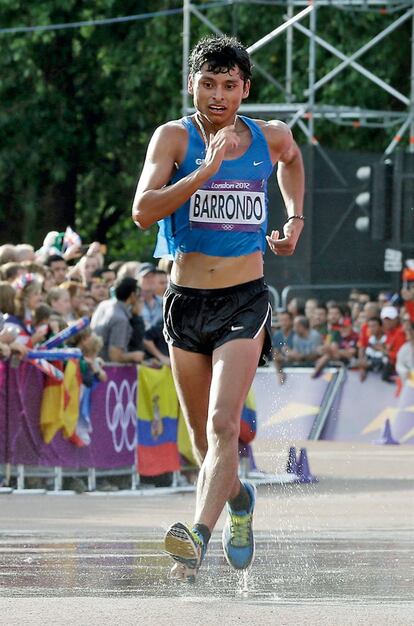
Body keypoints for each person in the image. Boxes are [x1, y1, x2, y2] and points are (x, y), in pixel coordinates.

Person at [132, 35, 304, 582]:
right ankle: (240, 502)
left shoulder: (267, 137)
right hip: (185, 303)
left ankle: (196, 538)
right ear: (193, 85)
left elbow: (293, 157)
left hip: (244, 300)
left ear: (245, 89)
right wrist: (203, 172)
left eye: (230, 85)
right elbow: (141, 211)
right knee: (205, 443)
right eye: (208, 84)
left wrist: (295, 220)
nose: (218, 95)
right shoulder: (174, 139)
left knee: (224, 424)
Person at [91, 276, 145, 364]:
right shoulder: (120, 319)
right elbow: (115, 356)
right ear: (132, 295)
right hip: (108, 370)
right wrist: (135, 355)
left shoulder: (104, 304)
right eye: (138, 293)